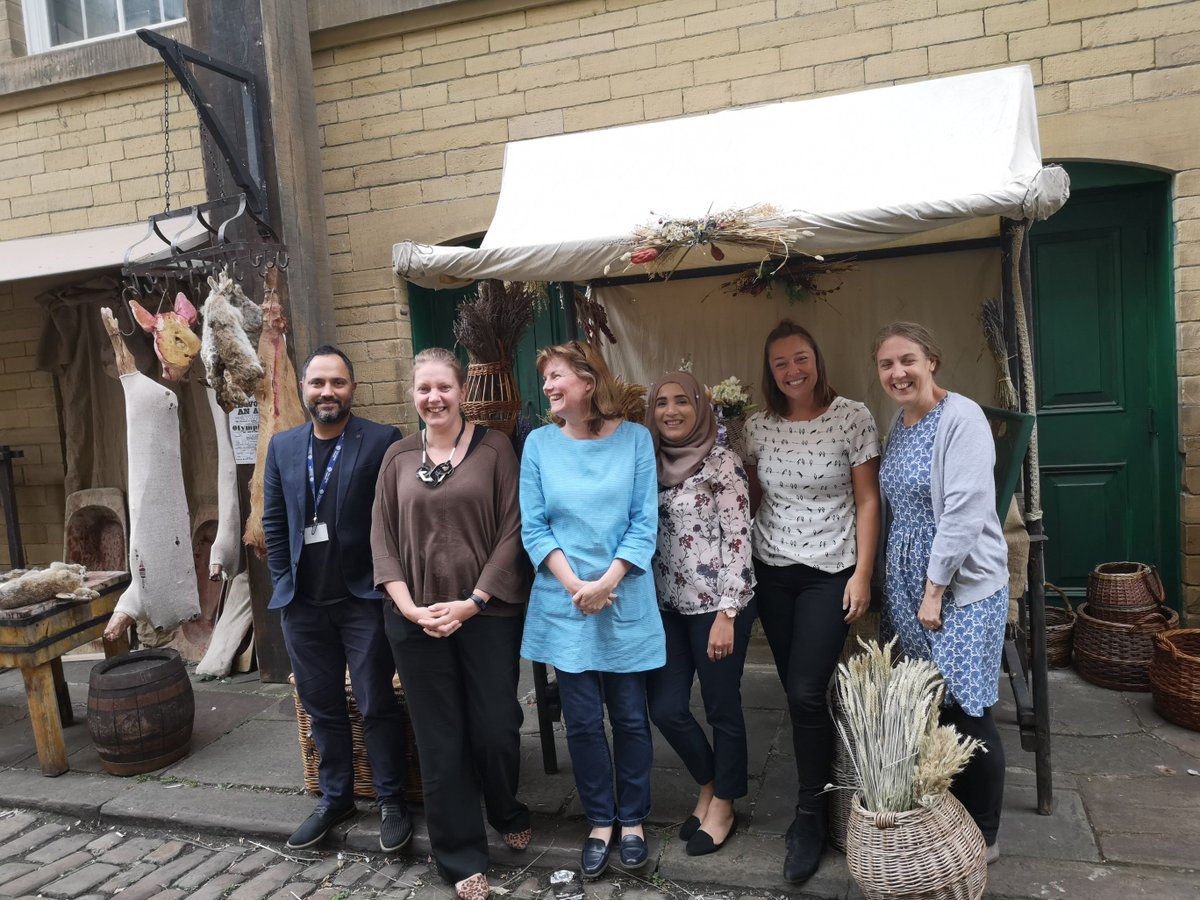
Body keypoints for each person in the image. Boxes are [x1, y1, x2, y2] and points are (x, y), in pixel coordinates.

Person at [371, 347, 531, 900]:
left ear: (462, 391)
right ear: (413, 395)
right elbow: (382, 542)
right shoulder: (396, 458)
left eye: (443, 387)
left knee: (495, 727)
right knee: (441, 739)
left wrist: (474, 601)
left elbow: (514, 529)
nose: (433, 398)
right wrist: (411, 609)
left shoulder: (495, 449)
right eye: (423, 389)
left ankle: (506, 806)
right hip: (415, 621)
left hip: (486, 615)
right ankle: (460, 855)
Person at [519, 340, 665, 879]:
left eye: (557, 376)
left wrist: (606, 581)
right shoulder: (537, 444)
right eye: (547, 380)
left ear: (587, 379)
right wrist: (577, 585)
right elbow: (534, 526)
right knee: (580, 720)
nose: (549, 388)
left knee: (629, 717)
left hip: (622, 594)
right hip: (567, 603)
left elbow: (643, 521)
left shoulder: (635, 440)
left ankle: (633, 822)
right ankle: (600, 821)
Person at [743, 319, 880, 883]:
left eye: (801, 358)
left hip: (831, 571)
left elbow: (868, 501)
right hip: (772, 570)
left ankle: (809, 814)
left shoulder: (853, 416)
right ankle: (818, 798)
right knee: (798, 694)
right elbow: (748, 498)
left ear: (817, 359)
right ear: (769, 371)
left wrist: (863, 575)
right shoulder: (755, 426)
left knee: (804, 689)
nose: (793, 370)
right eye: (781, 363)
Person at [263, 345, 411, 852]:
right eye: (318, 382)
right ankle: (335, 797)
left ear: (353, 388)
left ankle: (391, 799)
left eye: (338, 382)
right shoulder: (282, 446)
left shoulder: (381, 441)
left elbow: (393, 519)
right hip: (302, 604)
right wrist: (283, 581)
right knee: (320, 704)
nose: (327, 392)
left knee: (375, 704)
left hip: (361, 599)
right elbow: (274, 523)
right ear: (304, 388)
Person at [873, 321, 1008, 863]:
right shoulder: (900, 423)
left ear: (933, 360)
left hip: (960, 584)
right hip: (908, 581)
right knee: (928, 698)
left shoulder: (962, 417)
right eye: (886, 365)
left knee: (966, 706)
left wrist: (934, 590)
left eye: (907, 360)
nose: (897, 372)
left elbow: (965, 511)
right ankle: (945, 815)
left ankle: (986, 834)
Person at [644, 372, 756, 857]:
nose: (671, 411)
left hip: (717, 608)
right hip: (666, 607)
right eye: (661, 403)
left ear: (700, 406)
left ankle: (725, 803)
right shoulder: (647, 463)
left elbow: (738, 539)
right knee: (665, 708)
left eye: (681, 402)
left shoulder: (722, 463)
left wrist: (728, 612)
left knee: (721, 707)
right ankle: (710, 783)